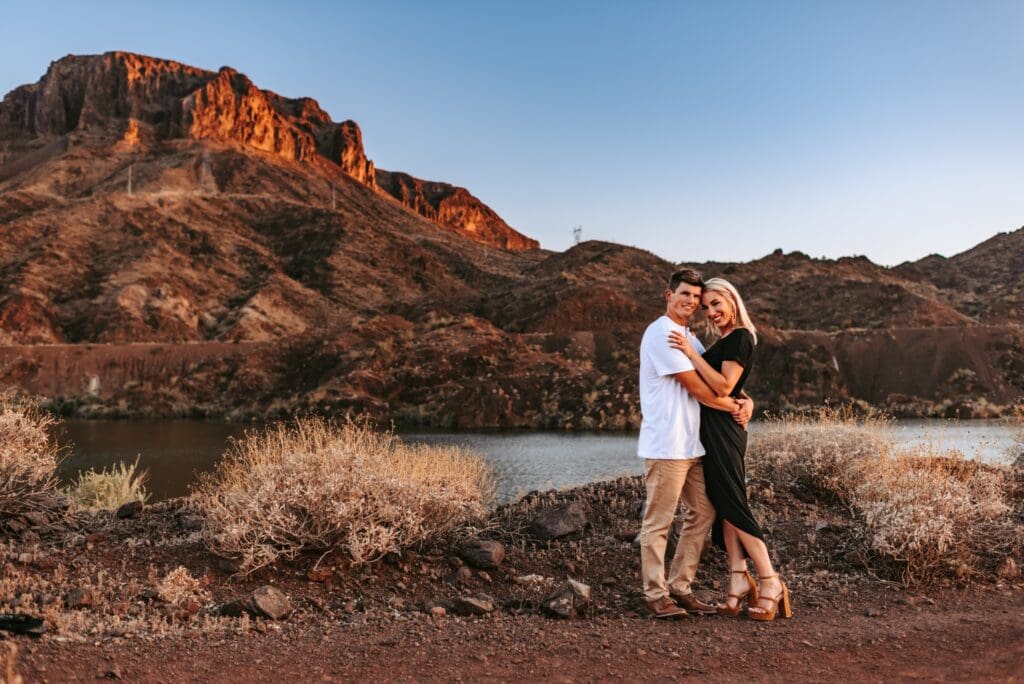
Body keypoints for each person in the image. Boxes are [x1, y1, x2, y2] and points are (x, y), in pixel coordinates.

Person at [668, 277, 792, 621]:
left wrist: (691, 353)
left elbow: (724, 385)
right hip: (713, 430)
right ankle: (737, 580)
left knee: (734, 504)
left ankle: (770, 580)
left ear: (732, 300)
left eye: (716, 304)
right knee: (723, 505)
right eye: (706, 307)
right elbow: (733, 389)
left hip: (724, 432)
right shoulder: (725, 339)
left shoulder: (740, 337)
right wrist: (746, 400)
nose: (711, 312)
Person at [638, 269, 752, 618]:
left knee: (702, 514)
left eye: (696, 298)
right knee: (658, 523)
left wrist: (747, 400)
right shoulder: (662, 334)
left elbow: (720, 378)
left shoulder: (690, 339)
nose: (690, 301)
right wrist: (734, 405)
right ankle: (656, 595)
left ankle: (680, 587)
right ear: (668, 295)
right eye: (684, 294)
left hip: (694, 447)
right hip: (666, 446)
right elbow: (699, 388)